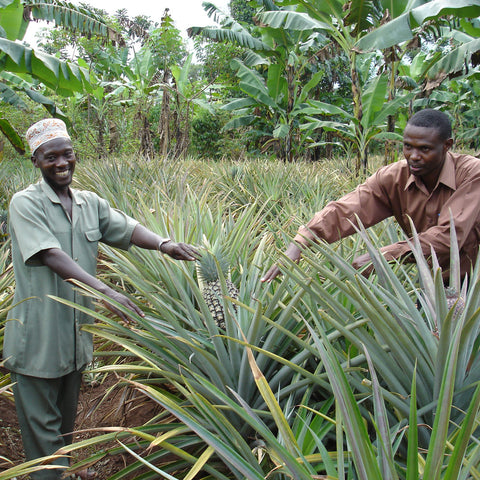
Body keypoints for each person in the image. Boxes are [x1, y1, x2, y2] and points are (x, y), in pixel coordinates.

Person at [3, 118, 200, 480]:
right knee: (41, 433)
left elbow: (124, 226)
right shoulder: (25, 203)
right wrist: (107, 291)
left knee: (64, 424)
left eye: (67, 155)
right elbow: (50, 254)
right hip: (39, 340)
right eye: (50, 157)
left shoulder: (88, 202)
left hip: (75, 340)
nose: (61, 163)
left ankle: (64, 470)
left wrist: (164, 244)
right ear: (35, 161)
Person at [262, 109, 480, 283]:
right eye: (407, 147)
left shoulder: (471, 173)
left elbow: (448, 236)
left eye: (425, 149)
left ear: (447, 146)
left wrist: (381, 256)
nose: (414, 156)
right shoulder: (394, 177)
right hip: (437, 281)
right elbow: (347, 209)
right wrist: (299, 244)